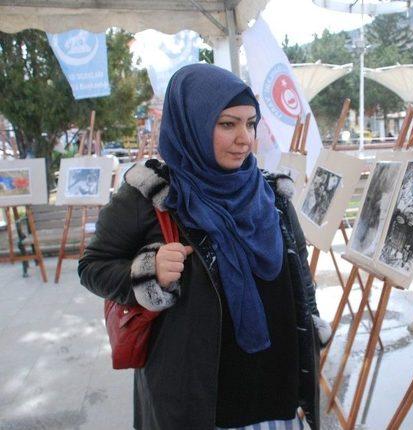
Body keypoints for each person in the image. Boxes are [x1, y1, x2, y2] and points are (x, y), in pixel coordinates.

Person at [78, 64, 330, 430]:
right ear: (192, 123)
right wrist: (148, 272)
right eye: (227, 124)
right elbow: (92, 266)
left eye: (250, 123)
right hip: (197, 405)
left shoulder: (271, 194)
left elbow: (299, 276)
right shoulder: (151, 195)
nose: (244, 138)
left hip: (276, 397)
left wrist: (311, 338)